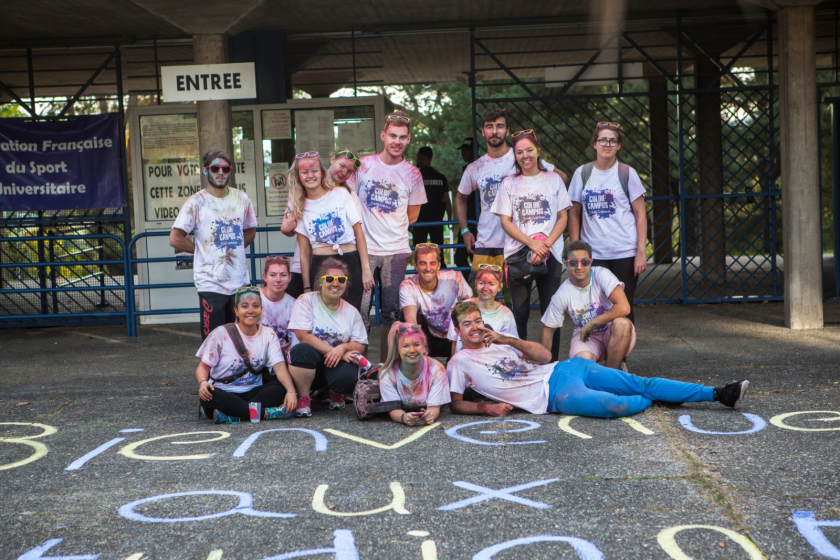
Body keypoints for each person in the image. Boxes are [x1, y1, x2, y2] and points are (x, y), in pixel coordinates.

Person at [447, 301, 750, 418]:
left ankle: (718, 393)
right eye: (468, 324)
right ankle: (654, 398)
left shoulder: (498, 342)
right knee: (614, 405)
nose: (475, 328)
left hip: (566, 369)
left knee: (639, 382)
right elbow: (456, 403)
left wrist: (508, 339)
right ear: (458, 330)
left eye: (478, 321)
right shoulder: (459, 362)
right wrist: (486, 407)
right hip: (554, 395)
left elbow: (545, 355)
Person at [348, 111, 427, 358]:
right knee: (359, 311)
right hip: (365, 251)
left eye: (402, 137)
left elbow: (413, 215)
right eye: (393, 135)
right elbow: (347, 201)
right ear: (383, 136)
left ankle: (385, 366)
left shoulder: (413, 173)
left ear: (408, 139)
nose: (397, 141)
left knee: (391, 312)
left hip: (397, 252)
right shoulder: (363, 165)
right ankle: (359, 368)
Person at [456, 109, 568, 283]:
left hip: (518, 244)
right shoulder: (475, 167)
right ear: (483, 131)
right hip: (486, 242)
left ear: (507, 131)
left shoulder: (522, 156)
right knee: (482, 297)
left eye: (500, 126)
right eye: (489, 127)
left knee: (512, 304)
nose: (494, 131)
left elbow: (561, 178)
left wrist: (542, 218)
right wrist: (464, 230)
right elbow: (460, 198)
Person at [490, 130, 571, 361]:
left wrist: (544, 246)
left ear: (538, 152)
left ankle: (551, 362)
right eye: (519, 152)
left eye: (529, 150)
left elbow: (562, 218)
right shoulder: (509, 183)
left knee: (551, 313)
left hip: (551, 252)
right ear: (514, 156)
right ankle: (520, 363)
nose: (525, 155)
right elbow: (505, 221)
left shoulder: (553, 179)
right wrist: (532, 245)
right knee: (520, 314)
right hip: (518, 254)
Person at [170, 149, 258, 340]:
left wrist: (231, 250)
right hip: (210, 284)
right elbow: (175, 238)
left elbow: (250, 230)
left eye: (225, 169)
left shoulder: (242, 198)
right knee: (215, 341)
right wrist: (204, 251)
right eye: (215, 168)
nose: (220, 172)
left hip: (240, 282)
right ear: (206, 171)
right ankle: (212, 372)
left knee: (242, 338)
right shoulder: (196, 202)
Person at [568, 121, 648, 324]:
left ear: (619, 145)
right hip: (594, 255)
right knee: (594, 307)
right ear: (594, 143)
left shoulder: (627, 173)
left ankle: (620, 356)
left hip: (625, 253)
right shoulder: (582, 173)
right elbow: (574, 214)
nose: (607, 144)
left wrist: (641, 252)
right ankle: (594, 354)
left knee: (623, 307)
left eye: (613, 141)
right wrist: (576, 251)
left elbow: (640, 214)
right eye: (602, 140)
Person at [196, 286, 298, 424]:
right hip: (224, 392)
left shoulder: (268, 334)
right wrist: (203, 383)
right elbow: (203, 368)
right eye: (245, 306)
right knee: (209, 396)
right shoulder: (220, 333)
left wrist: (291, 392)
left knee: (281, 389)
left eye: (256, 306)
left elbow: (280, 368)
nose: (251, 310)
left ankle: (232, 414)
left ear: (261, 309)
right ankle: (265, 414)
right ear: (236, 311)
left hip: (253, 392)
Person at [288, 151, 373, 313]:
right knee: (324, 315)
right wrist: (307, 287)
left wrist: (366, 269)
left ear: (322, 173)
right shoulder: (300, 205)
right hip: (321, 263)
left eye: (314, 171)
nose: (310, 175)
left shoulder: (341, 194)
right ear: (298, 176)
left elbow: (359, 234)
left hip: (351, 260)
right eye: (305, 172)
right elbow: (305, 252)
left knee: (351, 313)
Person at [287, 258, 368, 416]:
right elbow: (303, 336)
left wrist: (342, 348)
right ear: (321, 281)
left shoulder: (352, 312)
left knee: (350, 374)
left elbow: (360, 345)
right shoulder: (306, 301)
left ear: (346, 283)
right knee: (301, 350)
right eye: (330, 279)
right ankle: (304, 398)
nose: (335, 283)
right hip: (310, 365)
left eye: (341, 279)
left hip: (335, 364)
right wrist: (334, 351)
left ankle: (335, 392)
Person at [541, 241, 634, 371]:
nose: (579, 267)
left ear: (590, 262)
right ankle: (598, 375)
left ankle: (612, 374)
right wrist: (544, 368)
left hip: (611, 332)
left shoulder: (601, 274)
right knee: (583, 361)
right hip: (585, 338)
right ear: (566, 264)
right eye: (573, 263)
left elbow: (624, 307)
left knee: (622, 323)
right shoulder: (562, 293)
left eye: (584, 262)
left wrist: (592, 323)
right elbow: (548, 330)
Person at [399, 243, 472, 358]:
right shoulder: (408, 285)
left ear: (438, 265)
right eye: (423, 263)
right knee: (404, 324)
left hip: (453, 336)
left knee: (467, 315)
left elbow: (471, 306)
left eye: (432, 263)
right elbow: (410, 320)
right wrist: (418, 344)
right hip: (427, 337)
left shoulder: (454, 278)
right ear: (415, 266)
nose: (428, 268)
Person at [378, 322, 450, 426]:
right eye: (406, 346)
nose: (412, 350)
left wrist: (431, 415)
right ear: (398, 349)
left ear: (424, 347)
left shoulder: (437, 369)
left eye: (416, 345)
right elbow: (394, 410)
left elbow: (434, 408)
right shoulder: (388, 374)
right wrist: (403, 417)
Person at [446, 264, 517, 354]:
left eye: (491, 284)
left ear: (500, 287)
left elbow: (511, 346)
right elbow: (454, 342)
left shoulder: (506, 314)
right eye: (481, 283)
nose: (485, 288)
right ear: (475, 283)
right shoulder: (461, 308)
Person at [260, 255, 298, 358]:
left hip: (283, 355)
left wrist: (288, 352)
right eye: (273, 275)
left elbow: (295, 341)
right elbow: (242, 336)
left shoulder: (294, 304)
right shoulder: (253, 299)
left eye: (283, 275)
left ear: (289, 277)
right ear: (265, 277)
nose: (278, 280)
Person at [413, 146, 452, 247]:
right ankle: (441, 263)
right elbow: (447, 201)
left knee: (419, 251)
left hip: (419, 222)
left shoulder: (414, 178)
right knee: (439, 252)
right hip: (436, 221)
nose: (416, 159)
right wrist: (450, 220)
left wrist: (407, 221)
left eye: (417, 157)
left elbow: (408, 200)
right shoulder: (440, 177)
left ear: (421, 157)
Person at [453, 137, 477, 278]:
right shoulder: (467, 169)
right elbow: (461, 198)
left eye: (466, 150)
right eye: (462, 150)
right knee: (460, 258)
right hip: (467, 223)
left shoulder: (482, 167)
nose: (463, 153)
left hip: (478, 222)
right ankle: (472, 283)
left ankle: (475, 286)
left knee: (476, 259)